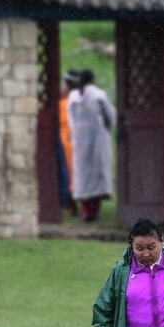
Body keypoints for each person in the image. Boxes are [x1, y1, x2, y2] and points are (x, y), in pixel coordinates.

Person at [68, 68, 116, 221]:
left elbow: (71, 120)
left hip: (79, 140)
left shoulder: (73, 97)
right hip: (97, 140)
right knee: (97, 174)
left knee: (82, 175)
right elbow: (110, 117)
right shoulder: (99, 95)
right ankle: (94, 211)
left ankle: (85, 210)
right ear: (93, 80)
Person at [58, 71, 79, 216]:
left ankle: (69, 203)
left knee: (68, 173)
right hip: (76, 139)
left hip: (66, 139)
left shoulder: (64, 102)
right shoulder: (79, 100)